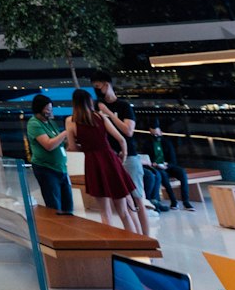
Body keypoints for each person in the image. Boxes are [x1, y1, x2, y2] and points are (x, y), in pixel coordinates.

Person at [65, 87, 139, 232]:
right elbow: (122, 140)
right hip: (111, 161)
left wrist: (87, 149)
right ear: (89, 102)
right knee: (124, 212)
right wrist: (122, 157)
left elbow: (72, 147)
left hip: (93, 164)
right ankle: (135, 247)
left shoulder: (70, 121)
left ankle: (111, 249)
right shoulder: (100, 117)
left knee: (105, 213)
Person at [97, 94, 154, 231]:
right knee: (127, 201)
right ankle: (137, 236)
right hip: (112, 159)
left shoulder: (123, 106)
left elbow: (128, 132)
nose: (98, 89)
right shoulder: (97, 107)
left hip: (129, 157)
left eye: (99, 85)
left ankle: (146, 238)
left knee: (137, 198)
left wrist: (108, 113)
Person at [26, 93, 72, 213]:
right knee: (54, 205)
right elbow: (49, 145)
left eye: (51, 109)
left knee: (68, 204)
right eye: (47, 109)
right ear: (39, 109)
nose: (50, 112)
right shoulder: (34, 123)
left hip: (61, 168)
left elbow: (59, 142)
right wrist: (66, 132)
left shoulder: (50, 122)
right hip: (46, 169)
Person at [146, 125, 194, 209]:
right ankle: (173, 201)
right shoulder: (148, 144)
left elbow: (173, 160)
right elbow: (147, 158)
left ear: (161, 132)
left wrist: (166, 165)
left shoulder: (167, 142)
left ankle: (186, 201)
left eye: (157, 134)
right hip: (157, 168)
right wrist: (154, 164)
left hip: (168, 166)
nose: (155, 136)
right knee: (163, 175)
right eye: (153, 134)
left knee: (182, 172)